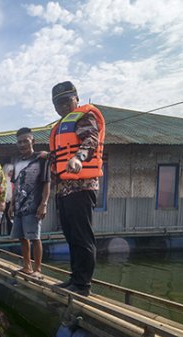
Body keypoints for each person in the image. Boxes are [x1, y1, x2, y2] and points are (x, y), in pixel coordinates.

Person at [46, 81, 105, 296]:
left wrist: (78, 157)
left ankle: (83, 285)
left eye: (66, 101)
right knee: (71, 236)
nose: (62, 107)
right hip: (64, 189)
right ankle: (75, 278)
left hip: (81, 186)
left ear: (76, 99)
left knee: (82, 236)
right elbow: (58, 156)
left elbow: (90, 140)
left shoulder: (84, 116)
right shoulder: (60, 127)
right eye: (57, 104)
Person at [9, 128, 50, 276]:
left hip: (33, 206)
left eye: (25, 141)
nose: (22, 144)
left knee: (35, 237)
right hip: (19, 206)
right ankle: (27, 266)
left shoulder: (41, 158)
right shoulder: (17, 160)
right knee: (22, 237)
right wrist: (12, 204)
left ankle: (38, 269)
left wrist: (43, 204)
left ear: (33, 141)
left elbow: (46, 183)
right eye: (19, 142)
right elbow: (16, 184)